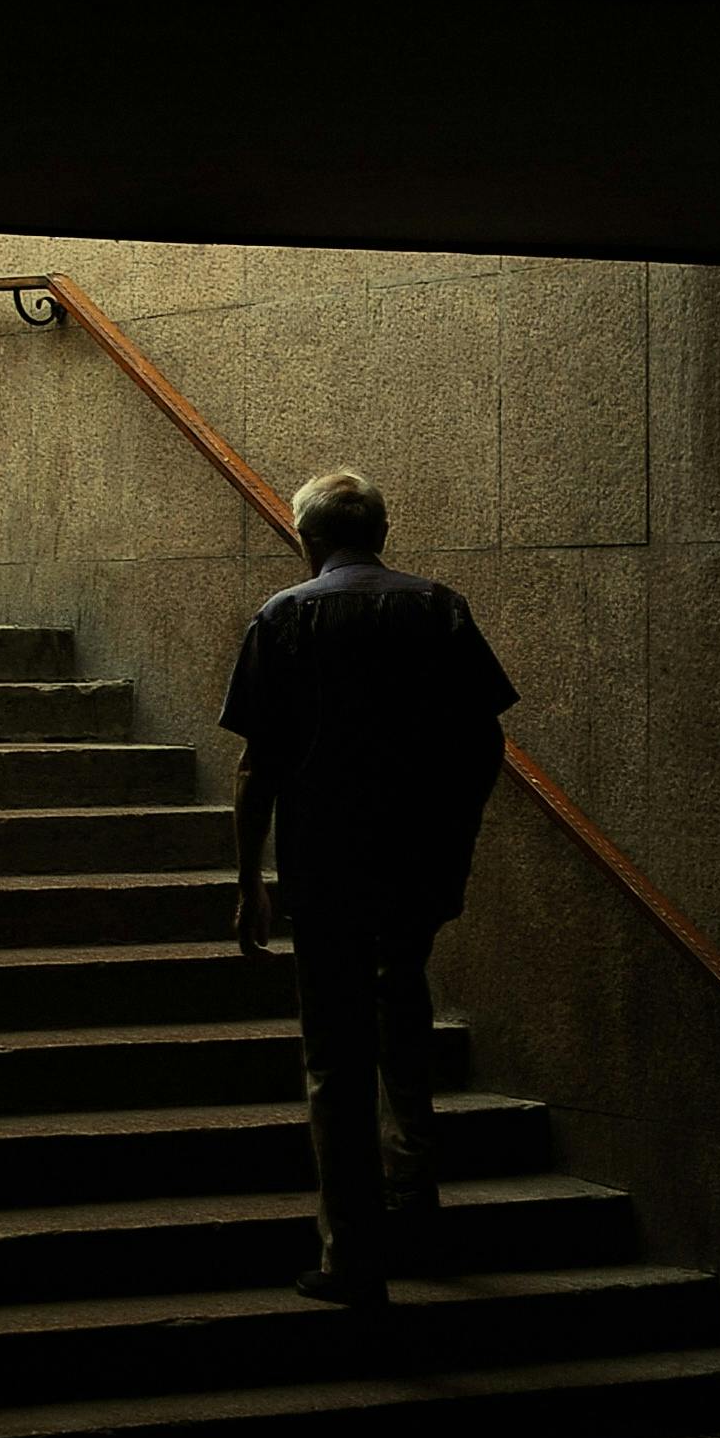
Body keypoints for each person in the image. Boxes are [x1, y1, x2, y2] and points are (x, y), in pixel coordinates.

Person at [218, 468, 519, 1308]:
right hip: (415, 863)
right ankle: (414, 1202)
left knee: (334, 1054)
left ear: (306, 538)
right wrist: (454, 839)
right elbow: (484, 743)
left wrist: (249, 880)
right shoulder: (438, 608)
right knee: (404, 1019)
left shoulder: (284, 617)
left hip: (324, 867)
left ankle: (351, 1252)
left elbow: (256, 767)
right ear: (381, 533)